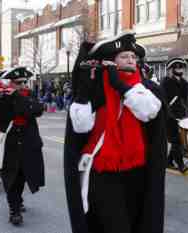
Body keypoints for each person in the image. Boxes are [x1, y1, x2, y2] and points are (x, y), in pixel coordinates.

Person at [64, 32, 166, 233]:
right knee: (113, 225)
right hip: (102, 171)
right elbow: (81, 127)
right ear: (111, 62)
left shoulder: (143, 87)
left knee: (134, 221)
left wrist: (120, 86)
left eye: (133, 57)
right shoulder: (96, 88)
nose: (131, 60)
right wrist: (83, 94)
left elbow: (149, 111)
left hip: (136, 170)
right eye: (124, 56)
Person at [0, 67, 45, 225]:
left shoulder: (28, 96)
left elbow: (37, 110)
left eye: (24, 82)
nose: (22, 85)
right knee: (10, 178)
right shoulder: (2, 97)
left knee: (23, 177)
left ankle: (17, 200)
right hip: (9, 145)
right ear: (10, 83)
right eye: (18, 83)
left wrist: (18, 95)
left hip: (28, 144)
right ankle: (14, 210)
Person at [160, 57, 188, 173]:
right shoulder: (166, 82)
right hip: (170, 116)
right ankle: (181, 164)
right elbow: (163, 100)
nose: (179, 69)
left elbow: (187, 99)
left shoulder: (184, 83)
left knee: (178, 141)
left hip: (182, 115)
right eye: (176, 67)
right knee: (177, 141)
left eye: (181, 67)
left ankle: (168, 161)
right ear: (171, 69)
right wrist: (170, 114)